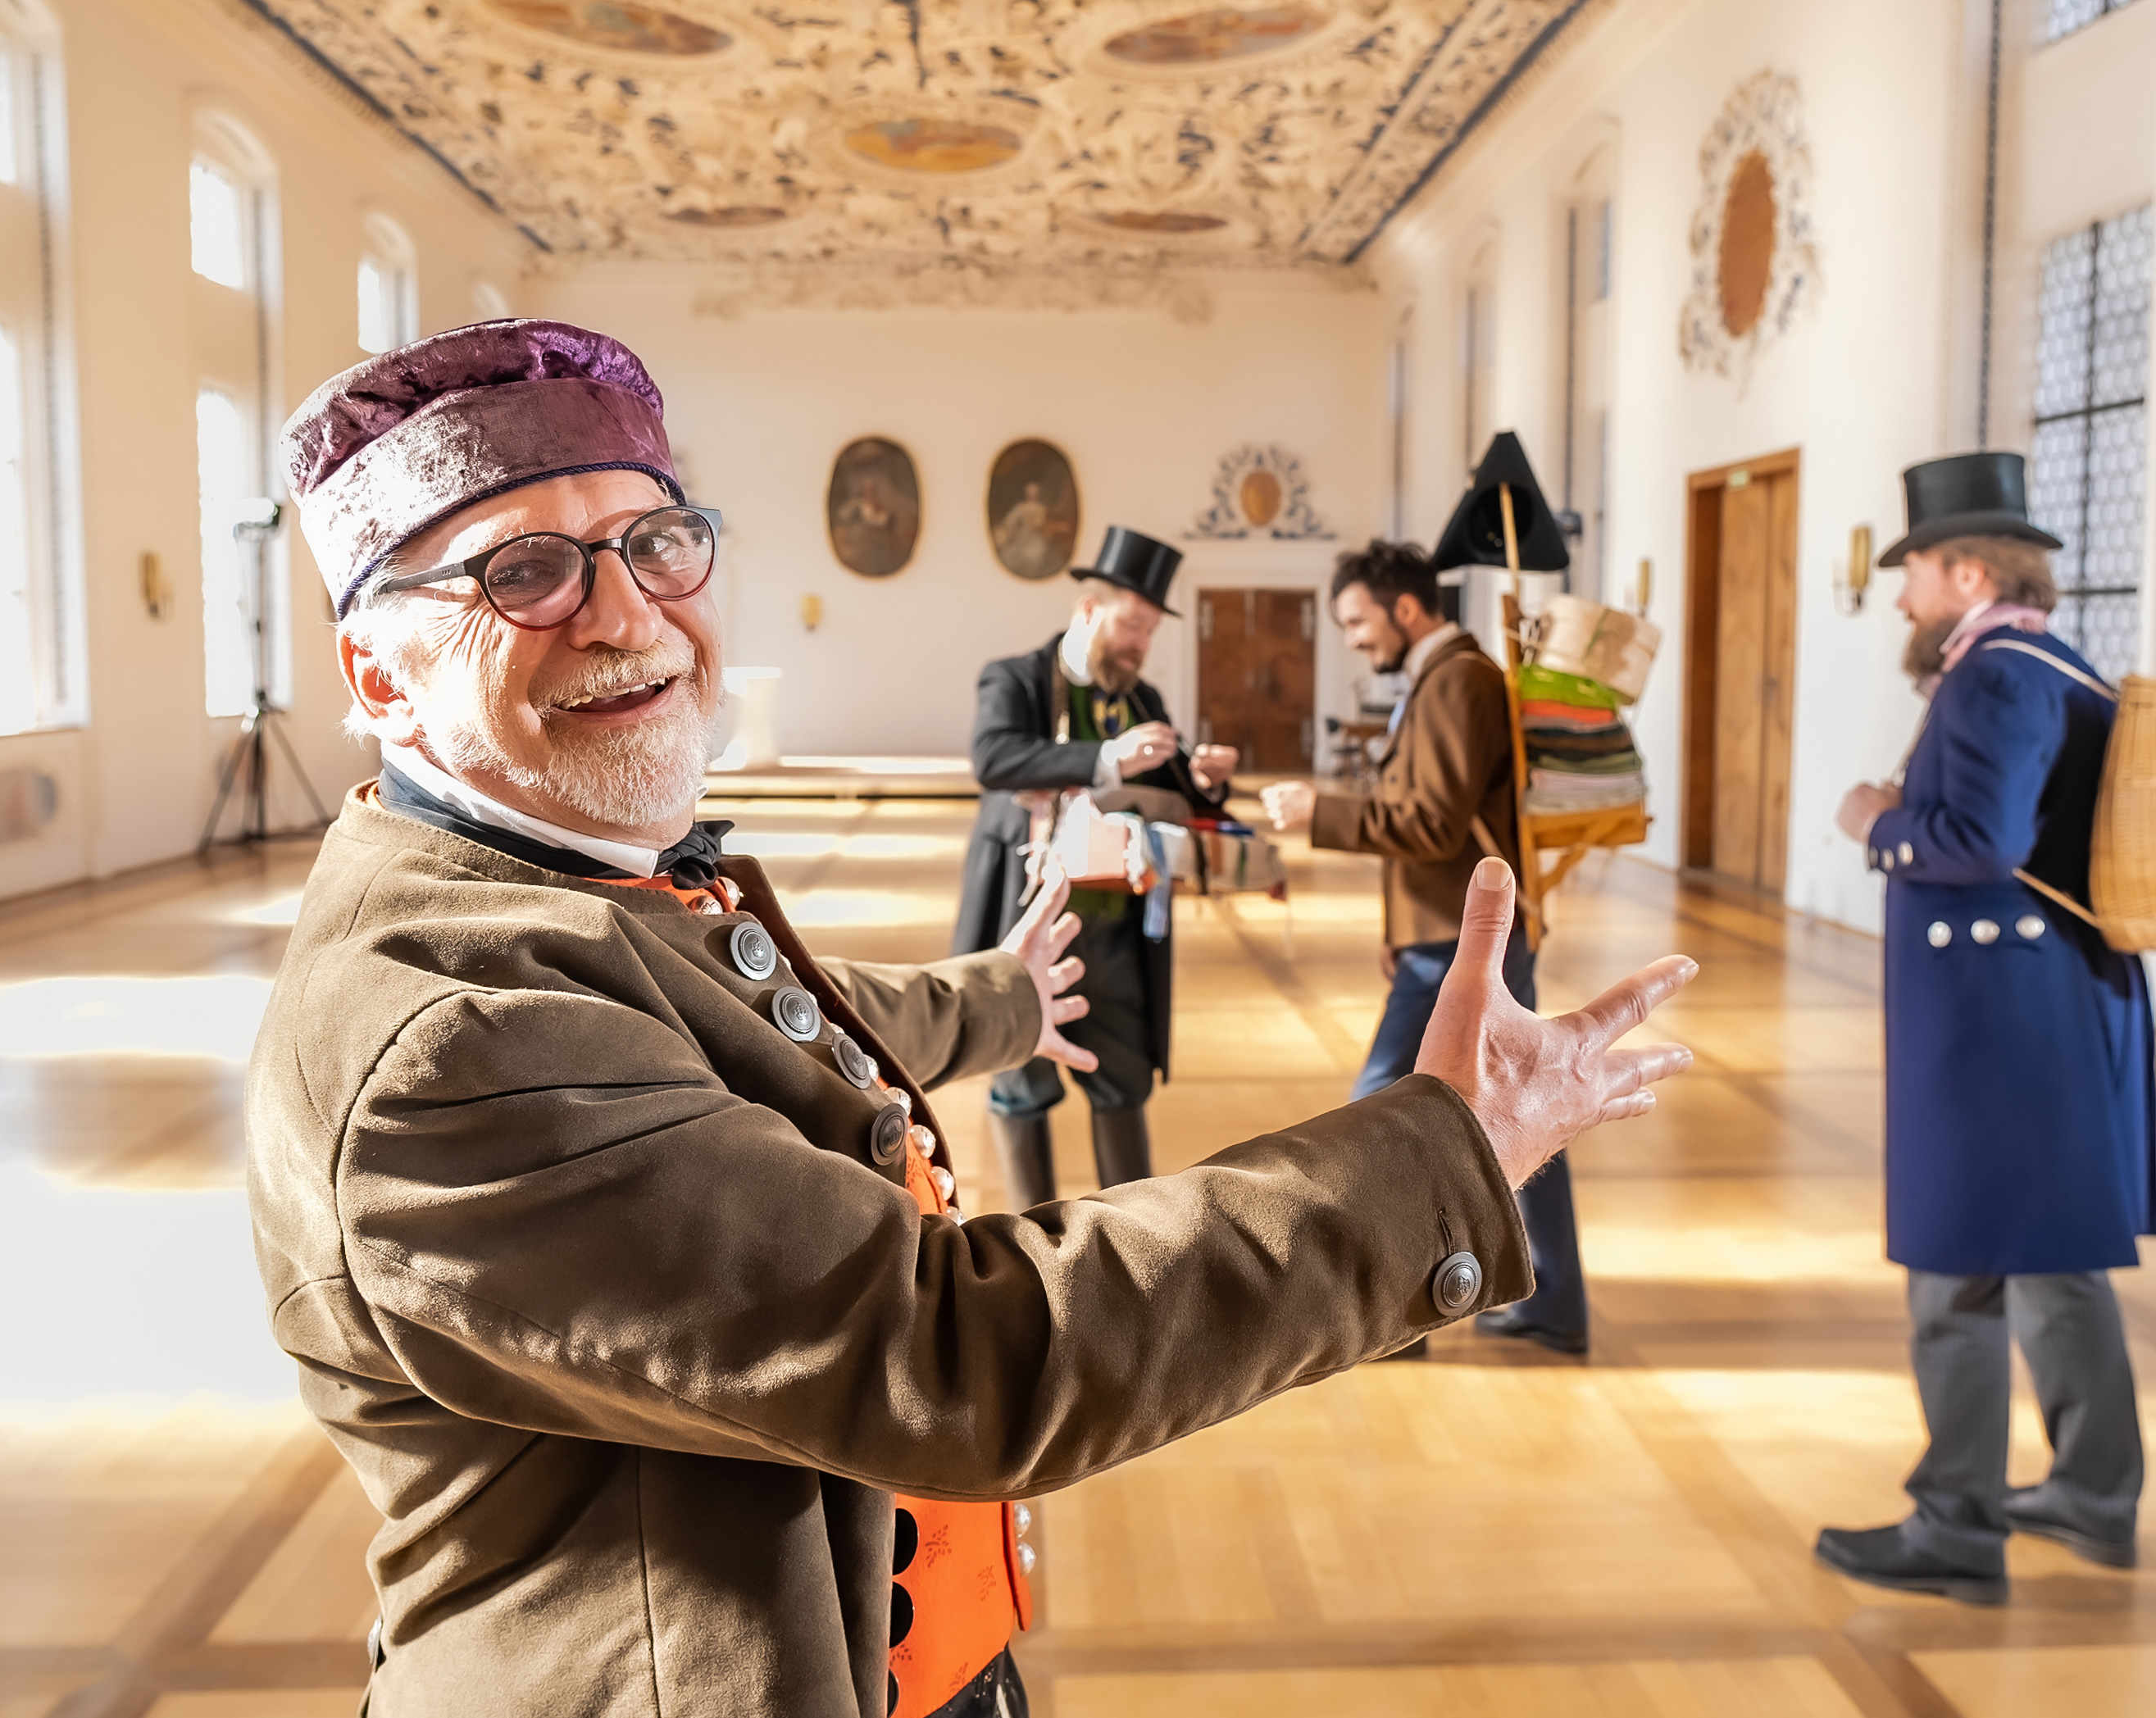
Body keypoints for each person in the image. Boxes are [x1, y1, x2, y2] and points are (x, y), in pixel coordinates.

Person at [249, 319, 1702, 1716]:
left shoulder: (562, 879)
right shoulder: (449, 1043)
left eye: (653, 541)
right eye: (527, 572)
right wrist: (1435, 1161)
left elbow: (741, 1031)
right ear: (377, 673)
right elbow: (952, 1353)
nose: (627, 611)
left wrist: (1000, 997)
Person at [1817, 450, 2156, 1606]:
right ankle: (2093, 1495)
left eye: (1913, 569)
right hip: (2049, 1003)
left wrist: (1876, 821)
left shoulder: (1993, 675)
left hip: (1999, 1025)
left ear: (1964, 572)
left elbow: (1976, 841)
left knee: (1955, 1265)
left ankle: (1957, 1524)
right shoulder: (2049, 661)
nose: (1901, 592)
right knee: (2057, 1258)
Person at [1260, 539, 1592, 1357]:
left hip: (1461, 940)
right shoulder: (1444, 678)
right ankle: (1548, 1295)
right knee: (1514, 1105)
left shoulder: (1457, 680)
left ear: (1404, 608)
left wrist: (1318, 814)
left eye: (1356, 620)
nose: (1353, 638)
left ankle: (1395, 1311)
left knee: (1385, 1110)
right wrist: (1395, 930)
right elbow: (1428, 813)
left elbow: (1432, 821)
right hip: (1441, 936)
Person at [956, 527, 1236, 1207]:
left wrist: (1208, 779)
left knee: (1123, 1080)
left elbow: (1177, 788)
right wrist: (1106, 758)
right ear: (1088, 610)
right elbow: (993, 759)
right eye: (1130, 625)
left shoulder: (1144, 702)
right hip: (1030, 924)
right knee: (1020, 1082)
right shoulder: (1016, 677)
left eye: (1149, 631)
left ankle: (1131, 1248)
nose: (1140, 644)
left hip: (1116, 934)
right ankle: (1030, 1250)